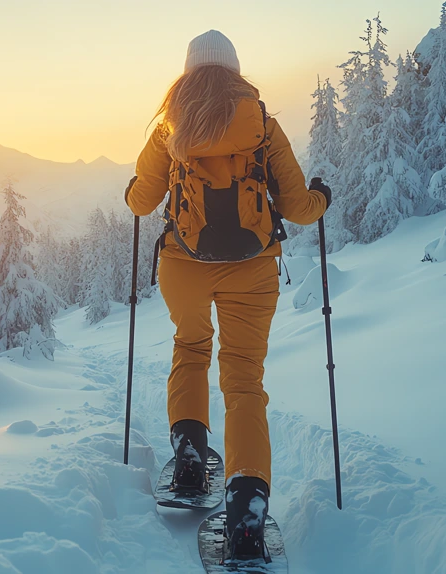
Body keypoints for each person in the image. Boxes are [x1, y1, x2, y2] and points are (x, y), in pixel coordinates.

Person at [124, 30, 331, 559]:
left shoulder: (171, 128)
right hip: (253, 267)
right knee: (243, 380)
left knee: (191, 348)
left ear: (189, 72)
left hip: (183, 266)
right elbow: (299, 207)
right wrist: (321, 198)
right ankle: (246, 511)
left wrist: (132, 187)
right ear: (234, 72)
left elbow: (142, 203)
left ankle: (191, 459)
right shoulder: (262, 125)